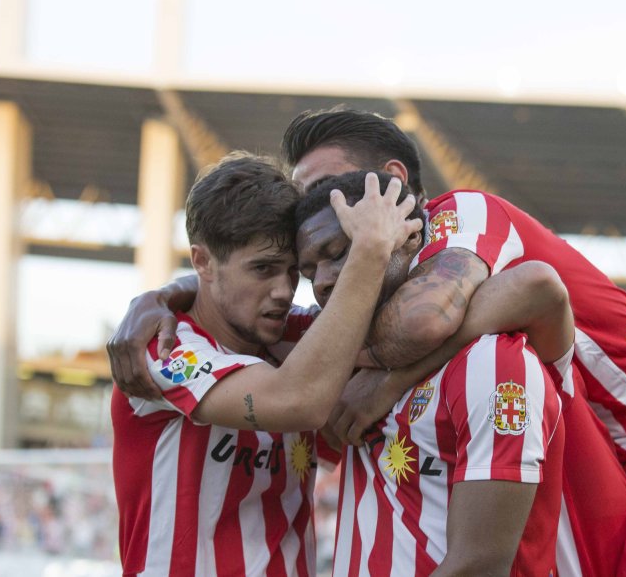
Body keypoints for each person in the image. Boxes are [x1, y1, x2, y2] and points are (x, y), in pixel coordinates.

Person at [282, 108, 626, 576]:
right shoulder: (375, 282)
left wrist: (381, 381)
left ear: (394, 179)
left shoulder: (461, 214)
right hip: (588, 452)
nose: (313, 206)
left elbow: (426, 320)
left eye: (326, 187)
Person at [112, 153, 421, 576]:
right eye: (262, 269)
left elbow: (428, 327)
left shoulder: (294, 337)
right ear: (202, 261)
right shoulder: (164, 349)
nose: (282, 291)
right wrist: (369, 250)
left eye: (293, 272)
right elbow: (298, 401)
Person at [296, 172, 573, 575]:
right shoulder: (335, 349)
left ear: (409, 236)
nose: (321, 282)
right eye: (308, 273)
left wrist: (388, 381)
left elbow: (479, 566)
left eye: (339, 252)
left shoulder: (496, 364)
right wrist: (172, 296)